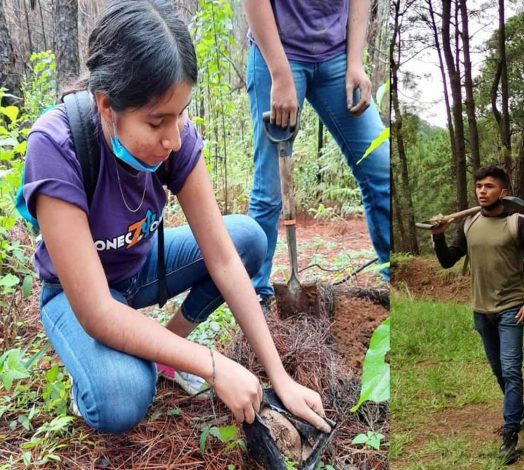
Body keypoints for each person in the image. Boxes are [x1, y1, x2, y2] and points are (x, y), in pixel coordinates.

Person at [19, 0, 330, 435]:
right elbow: (95, 308)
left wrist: (280, 376)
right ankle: (94, 372)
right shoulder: (57, 147)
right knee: (121, 397)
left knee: (248, 240)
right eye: (156, 122)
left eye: (180, 113)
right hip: (76, 295)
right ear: (107, 106)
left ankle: (168, 346)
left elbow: (222, 257)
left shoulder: (176, 137)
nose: (172, 137)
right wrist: (213, 365)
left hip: (139, 270)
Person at [242, 0, 390, 301]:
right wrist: (280, 75)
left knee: (381, 171)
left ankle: (396, 280)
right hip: (277, 52)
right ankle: (255, 298)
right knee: (269, 192)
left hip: (337, 56)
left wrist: (355, 62)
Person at [430, 165, 524, 464]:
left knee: (510, 370)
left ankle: (510, 434)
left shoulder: (518, 222)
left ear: (503, 192)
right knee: (499, 371)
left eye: (490, 186)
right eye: (479, 186)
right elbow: (447, 261)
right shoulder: (468, 224)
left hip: (511, 310)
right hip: (481, 312)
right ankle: (518, 411)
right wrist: (439, 237)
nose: (483, 191)